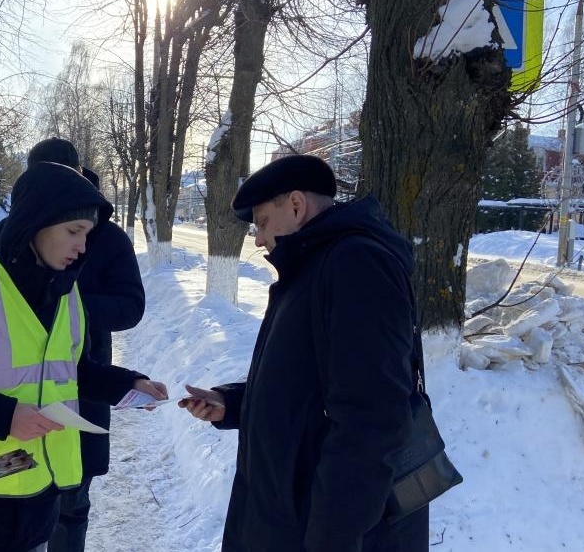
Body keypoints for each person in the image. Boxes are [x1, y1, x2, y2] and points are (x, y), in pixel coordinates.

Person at [179, 154, 427, 551]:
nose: (258, 238)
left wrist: (332, 539)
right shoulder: (311, 266)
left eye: (260, 222)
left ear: (295, 205)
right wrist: (234, 403)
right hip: (289, 516)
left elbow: (372, 420)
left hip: (319, 529)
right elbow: (307, 388)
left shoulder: (355, 265)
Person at [0, 161, 166, 552]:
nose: (82, 246)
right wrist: (5, 417)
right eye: (73, 231)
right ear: (37, 223)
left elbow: (68, 371)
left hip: (38, 505)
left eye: (88, 234)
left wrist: (126, 385)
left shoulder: (67, 293)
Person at [0, 138, 146, 552]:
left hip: (83, 377)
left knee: (72, 497)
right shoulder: (9, 231)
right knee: (9, 491)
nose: (78, 241)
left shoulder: (105, 235)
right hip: (13, 387)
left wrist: (66, 303)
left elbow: (131, 306)